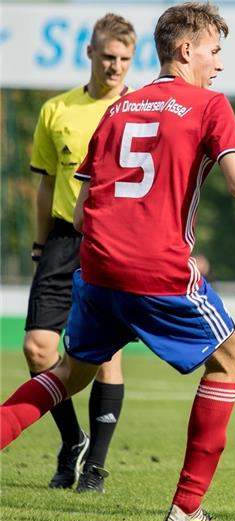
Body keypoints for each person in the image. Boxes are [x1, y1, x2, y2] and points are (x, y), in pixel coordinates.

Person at [1, 2, 235, 521]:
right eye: (215, 51)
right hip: (158, 270)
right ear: (186, 49)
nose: (219, 65)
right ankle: (187, 509)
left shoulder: (117, 110)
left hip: (97, 268)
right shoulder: (209, 105)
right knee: (229, 357)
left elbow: (81, 209)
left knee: (68, 372)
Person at [25, 13, 137, 493]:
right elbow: (47, 182)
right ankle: (72, 440)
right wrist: (39, 241)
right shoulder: (57, 110)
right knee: (37, 347)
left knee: (105, 353)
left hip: (115, 240)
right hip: (64, 238)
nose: (115, 67)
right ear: (90, 53)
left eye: (125, 60)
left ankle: (96, 468)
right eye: (108, 57)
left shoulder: (139, 107)